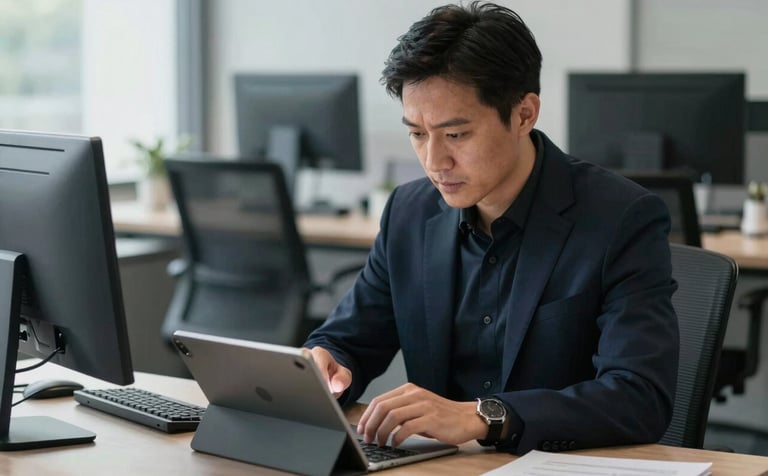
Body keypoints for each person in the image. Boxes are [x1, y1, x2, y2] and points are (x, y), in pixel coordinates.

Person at [304, 1, 679, 455]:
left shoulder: (622, 218)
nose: (433, 162)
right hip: (440, 467)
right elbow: (349, 338)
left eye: (456, 135)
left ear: (524, 114)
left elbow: (638, 397)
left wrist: (485, 416)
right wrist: (328, 363)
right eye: (418, 134)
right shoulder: (408, 211)